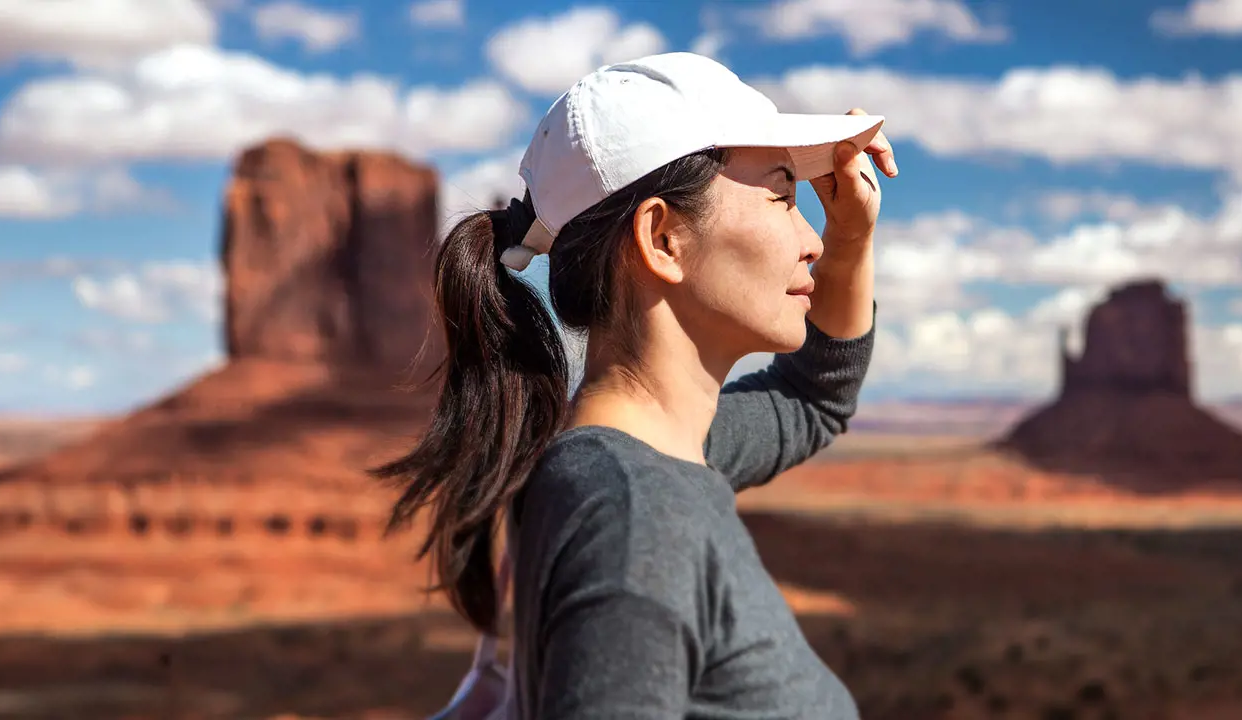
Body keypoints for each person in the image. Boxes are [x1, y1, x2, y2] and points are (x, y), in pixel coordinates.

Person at [373, 51, 897, 718]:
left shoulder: (642, 457)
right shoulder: (635, 516)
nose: (811, 239)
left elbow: (814, 398)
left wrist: (853, 240)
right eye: (783, 196)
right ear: (662, 238)